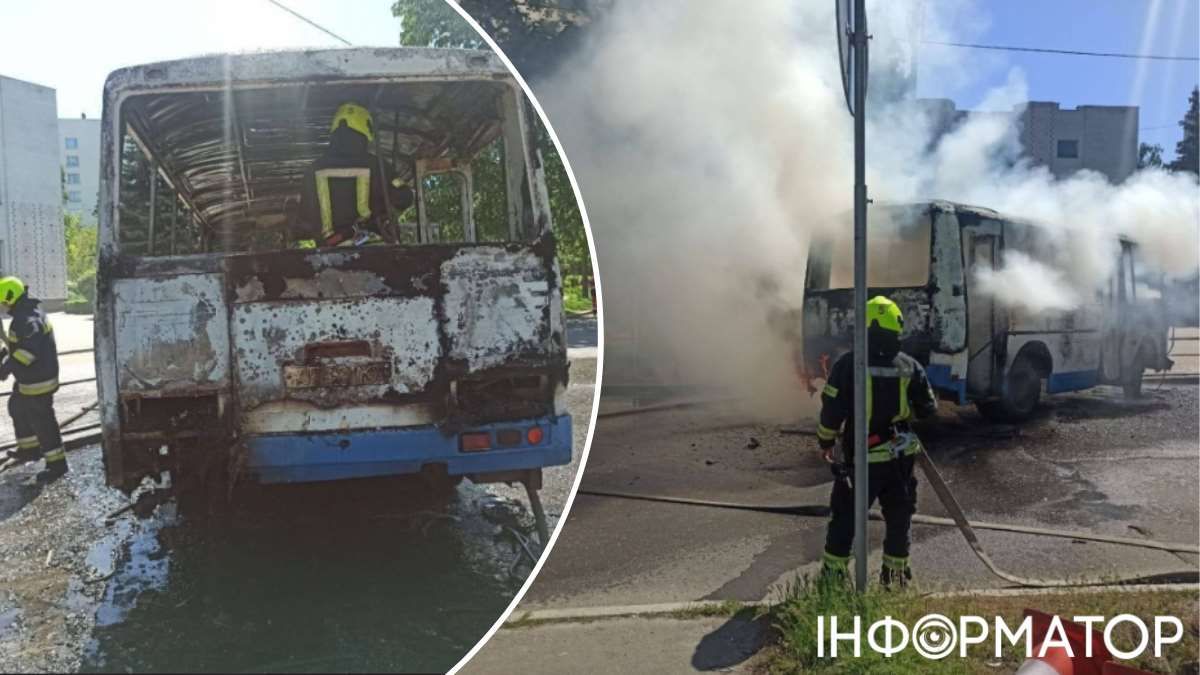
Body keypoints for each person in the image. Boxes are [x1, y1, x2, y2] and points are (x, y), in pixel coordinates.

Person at [816, 295, 937, 587]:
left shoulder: (848, 365)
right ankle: (894, 580)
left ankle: (833, 581)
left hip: (862, 461)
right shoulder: (910, 366)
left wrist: (826, 442)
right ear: (897, 326)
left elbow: (832, 411)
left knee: (845, 519)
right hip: (900, 460)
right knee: (899, 518)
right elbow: (929, 410)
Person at [297, 102, 415, 247]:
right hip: (373, 251)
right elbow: (405, 197)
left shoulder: (312, 170)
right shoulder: (377, 165)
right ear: (366, 128)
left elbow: (304, 220)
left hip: (327, 256)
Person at [0, 276, 66, 484]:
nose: (1, 305)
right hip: (30, 380)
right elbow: (19, 348)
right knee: (17, 407)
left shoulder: (27, 319)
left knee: (43, 422)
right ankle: (29, 450)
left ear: (10, 298)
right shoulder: (25, 312)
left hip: (38, 383)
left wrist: (6, 367)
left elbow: (27, 354)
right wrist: (6, 355)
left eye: (2, 300)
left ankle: (57, 465)